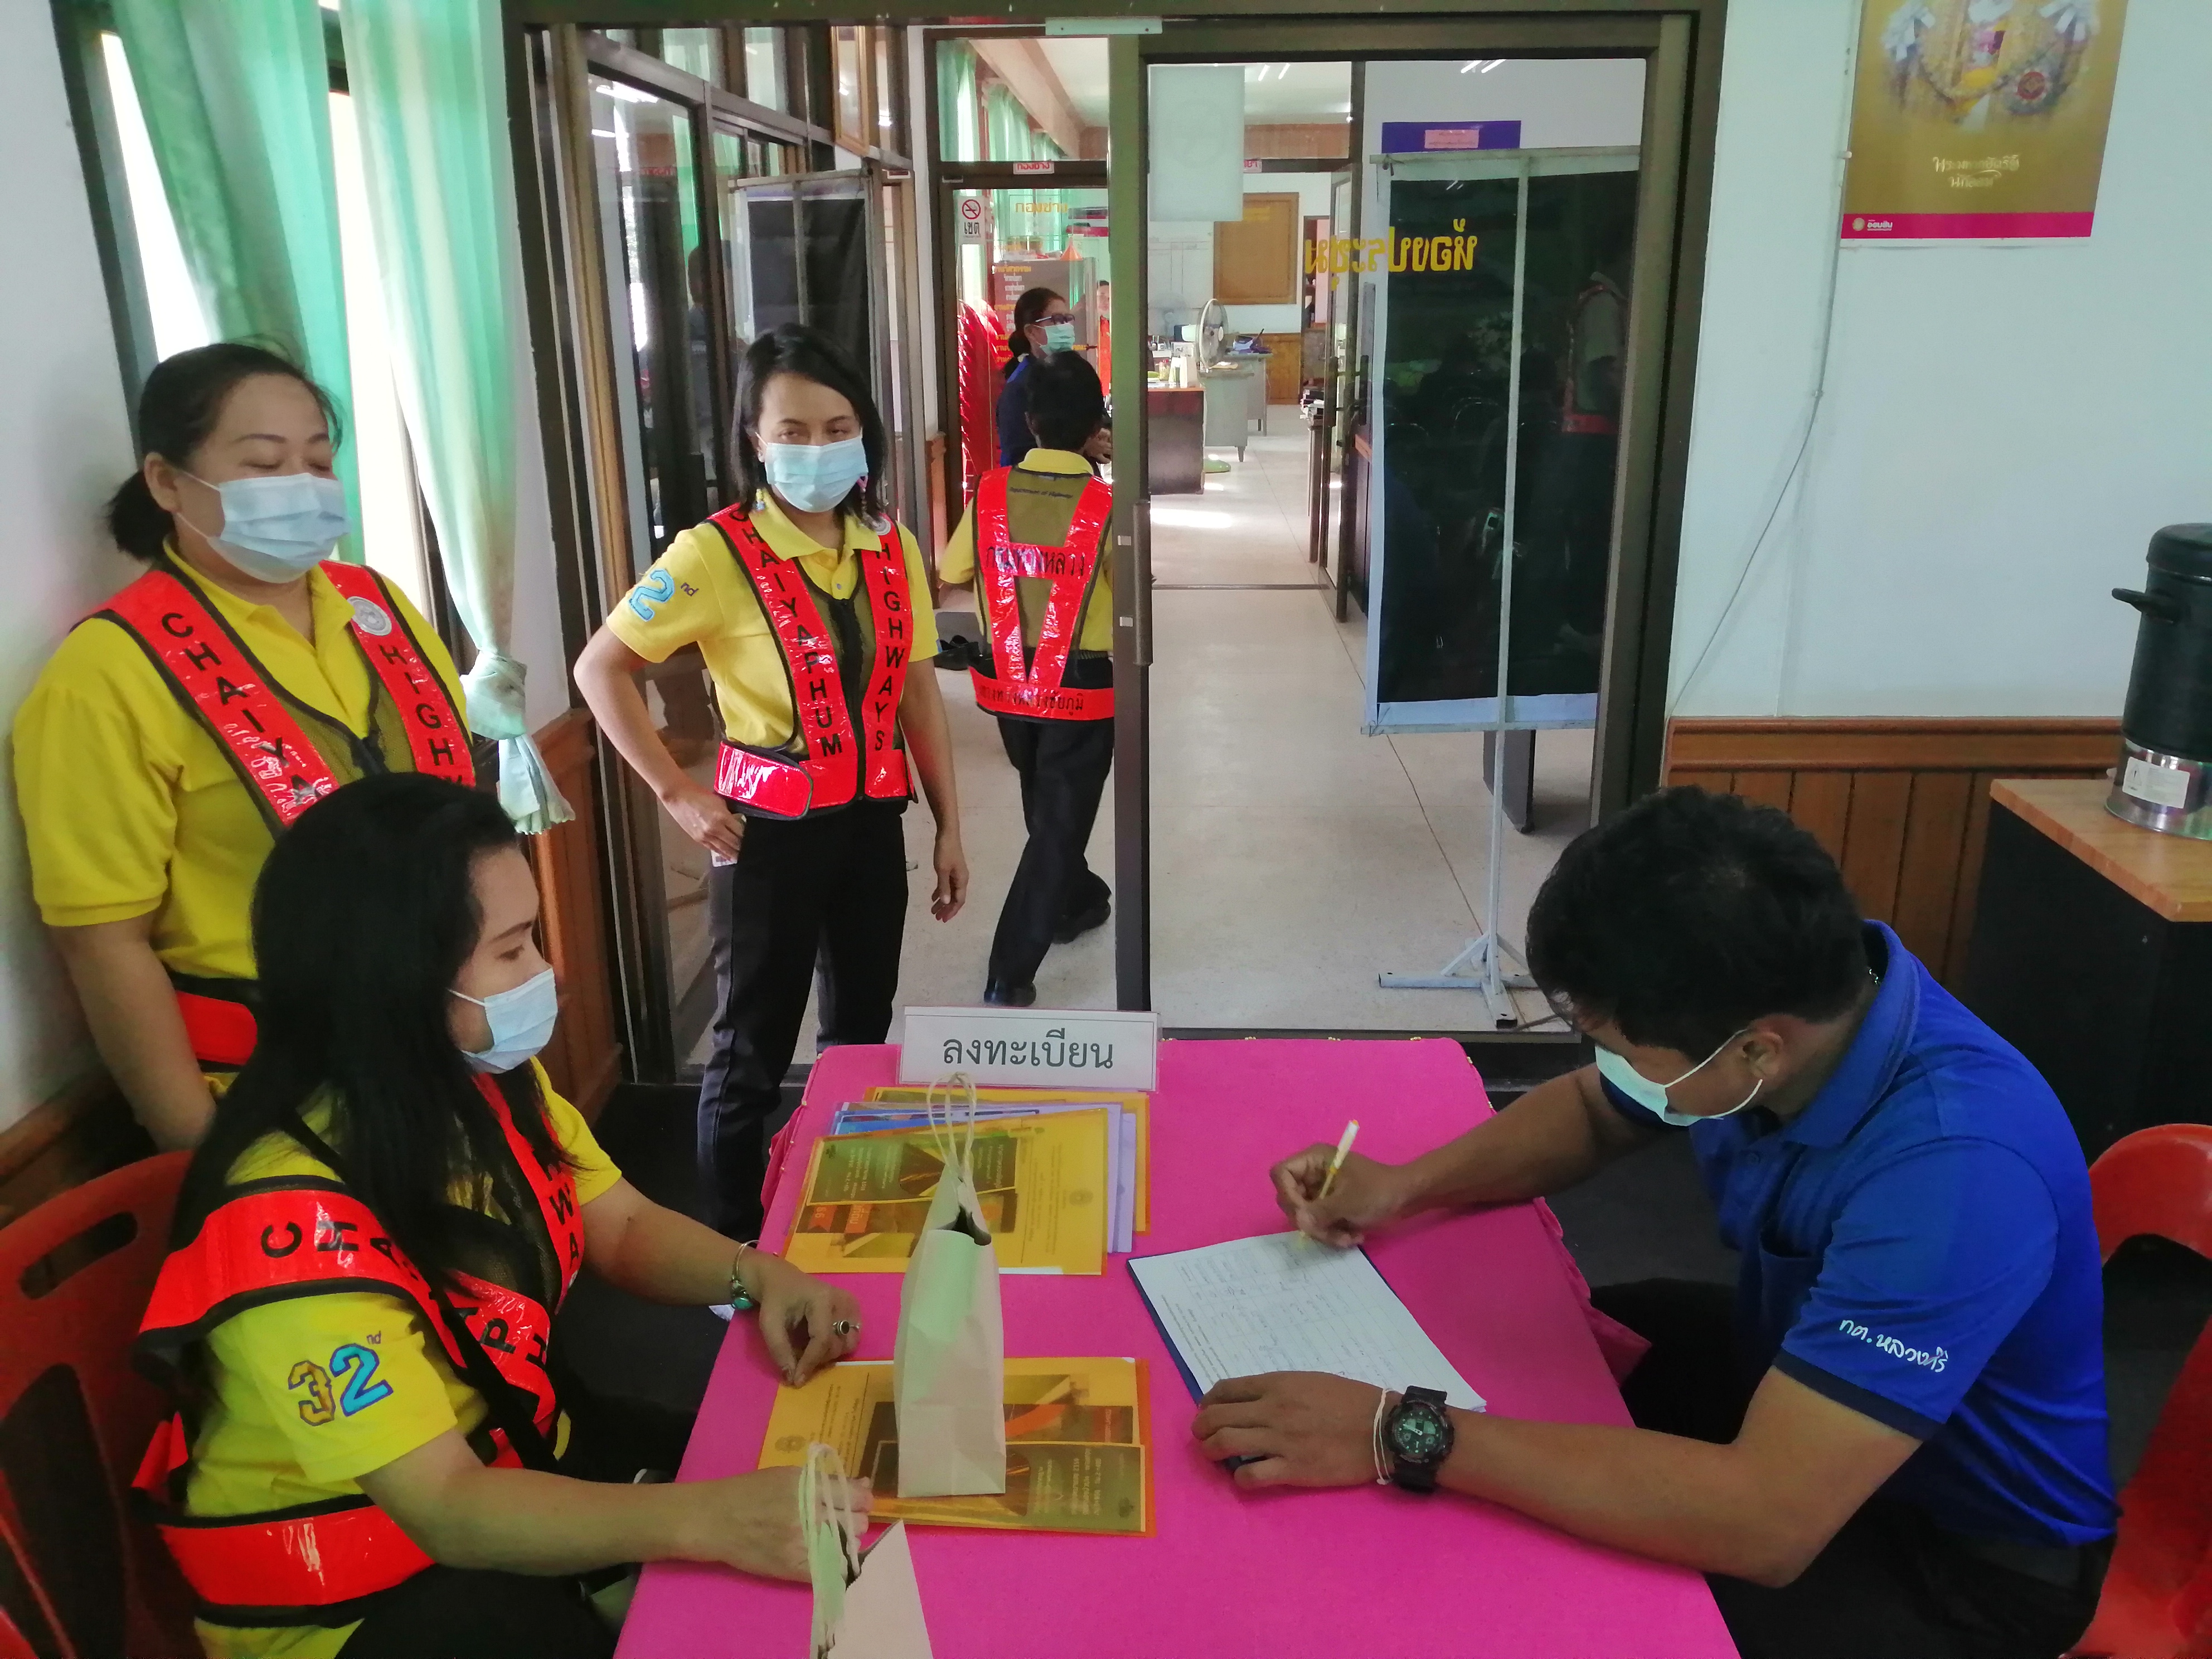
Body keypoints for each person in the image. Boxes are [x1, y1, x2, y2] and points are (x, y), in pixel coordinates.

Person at [1204, 788, 2117, 1659]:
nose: (1607, 1068)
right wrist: (1404, 1187)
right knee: (1538, 1347)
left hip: (1951, 1549)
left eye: (1621, 1049)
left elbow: (1765, 1521)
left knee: (1535, 1602)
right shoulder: (1790, 999)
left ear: (1757, 1049)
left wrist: (1400, 1431)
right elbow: (1595, 1112)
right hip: (1785, 1372)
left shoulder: (1956, 1176)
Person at [133, 773, 866, 1658]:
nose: (546, 974)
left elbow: (622, 1227)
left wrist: (755, 1274)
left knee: (804, 1462)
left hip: (515, 1451)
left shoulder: (483, 1084)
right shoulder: (286, 1228)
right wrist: (703, 1520)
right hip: (360, 1596)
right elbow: (447, 1506)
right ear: (397, 981)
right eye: (513, 951)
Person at [13, 343, 470, 1151]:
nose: (302, 486)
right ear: (166, 482)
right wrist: (201, 1144)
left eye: (318, 462)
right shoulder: (109, 672)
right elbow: (104, 944)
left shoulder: (377, 607)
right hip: (271, 1086)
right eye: (264, 464)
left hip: (444, 1047)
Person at [574, 324, 966, 1236]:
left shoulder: (891, 545)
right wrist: (677, 791)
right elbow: (602, 668)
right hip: (765, 836)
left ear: (864, 434)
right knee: (750, 1049)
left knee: (859, 1037)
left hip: (870, 827)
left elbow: (915, 688)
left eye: (837, 428)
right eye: (792, 431)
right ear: (754, 438)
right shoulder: (712, 554)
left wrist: (950, 824)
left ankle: (839, 1209)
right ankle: (734, 1246)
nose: (816, 448)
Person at [938, 352, 1114, 1006]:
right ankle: (1009, 972)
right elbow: (1131, 590)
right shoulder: (1106, 503)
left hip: (1008, 687)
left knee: (1045, 803)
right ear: (1095, 426)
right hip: (1082, 687)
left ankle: (1077, 899)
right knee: (1058, 823)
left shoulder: (987, 493)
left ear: (1031, 421)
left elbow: (953, 571)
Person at [996, 286, 1074, 469]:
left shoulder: (1075, 372)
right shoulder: (1019, 387)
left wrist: (1102, 434)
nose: (1065, 327)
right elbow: (1020, 455)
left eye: (1067, 319)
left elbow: (1098, 416)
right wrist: (1083, 447)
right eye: (1056, 320)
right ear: (1031, 331)